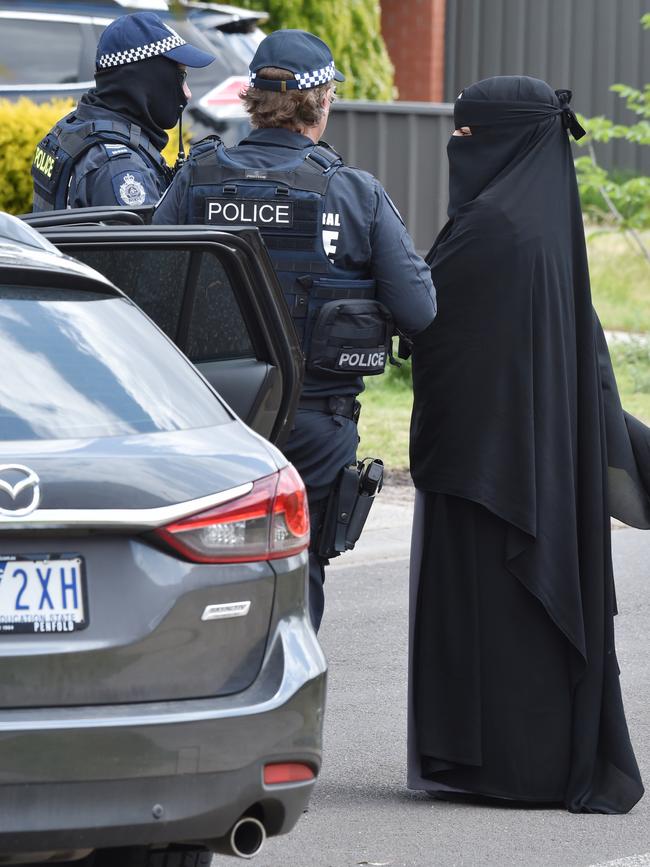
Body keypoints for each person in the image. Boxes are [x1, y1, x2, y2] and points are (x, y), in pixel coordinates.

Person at [408, 75, 647, 814]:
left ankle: (505, 766)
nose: (458, 148)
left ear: (506, 140)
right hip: (530, 464)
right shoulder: (541, 223)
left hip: (492, 472)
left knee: (493, 622)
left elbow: (435, 331)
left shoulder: (493, 230)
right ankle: (526, 760)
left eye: (470, 135)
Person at [154, 28, 437, 631]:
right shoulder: (353, 192)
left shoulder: (196, 178)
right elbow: (420, 310)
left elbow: (147, 292)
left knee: (203, 569)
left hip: (210, 419)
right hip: (313, 419)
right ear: (322, 101)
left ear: (252, 100)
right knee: (298, 574)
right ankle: (284, 701)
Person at [31, 12, 214, 211]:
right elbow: (145, 243)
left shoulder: (74, 129)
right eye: (180, 78)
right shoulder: (120, 169)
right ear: (149, 81)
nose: (187, 94)